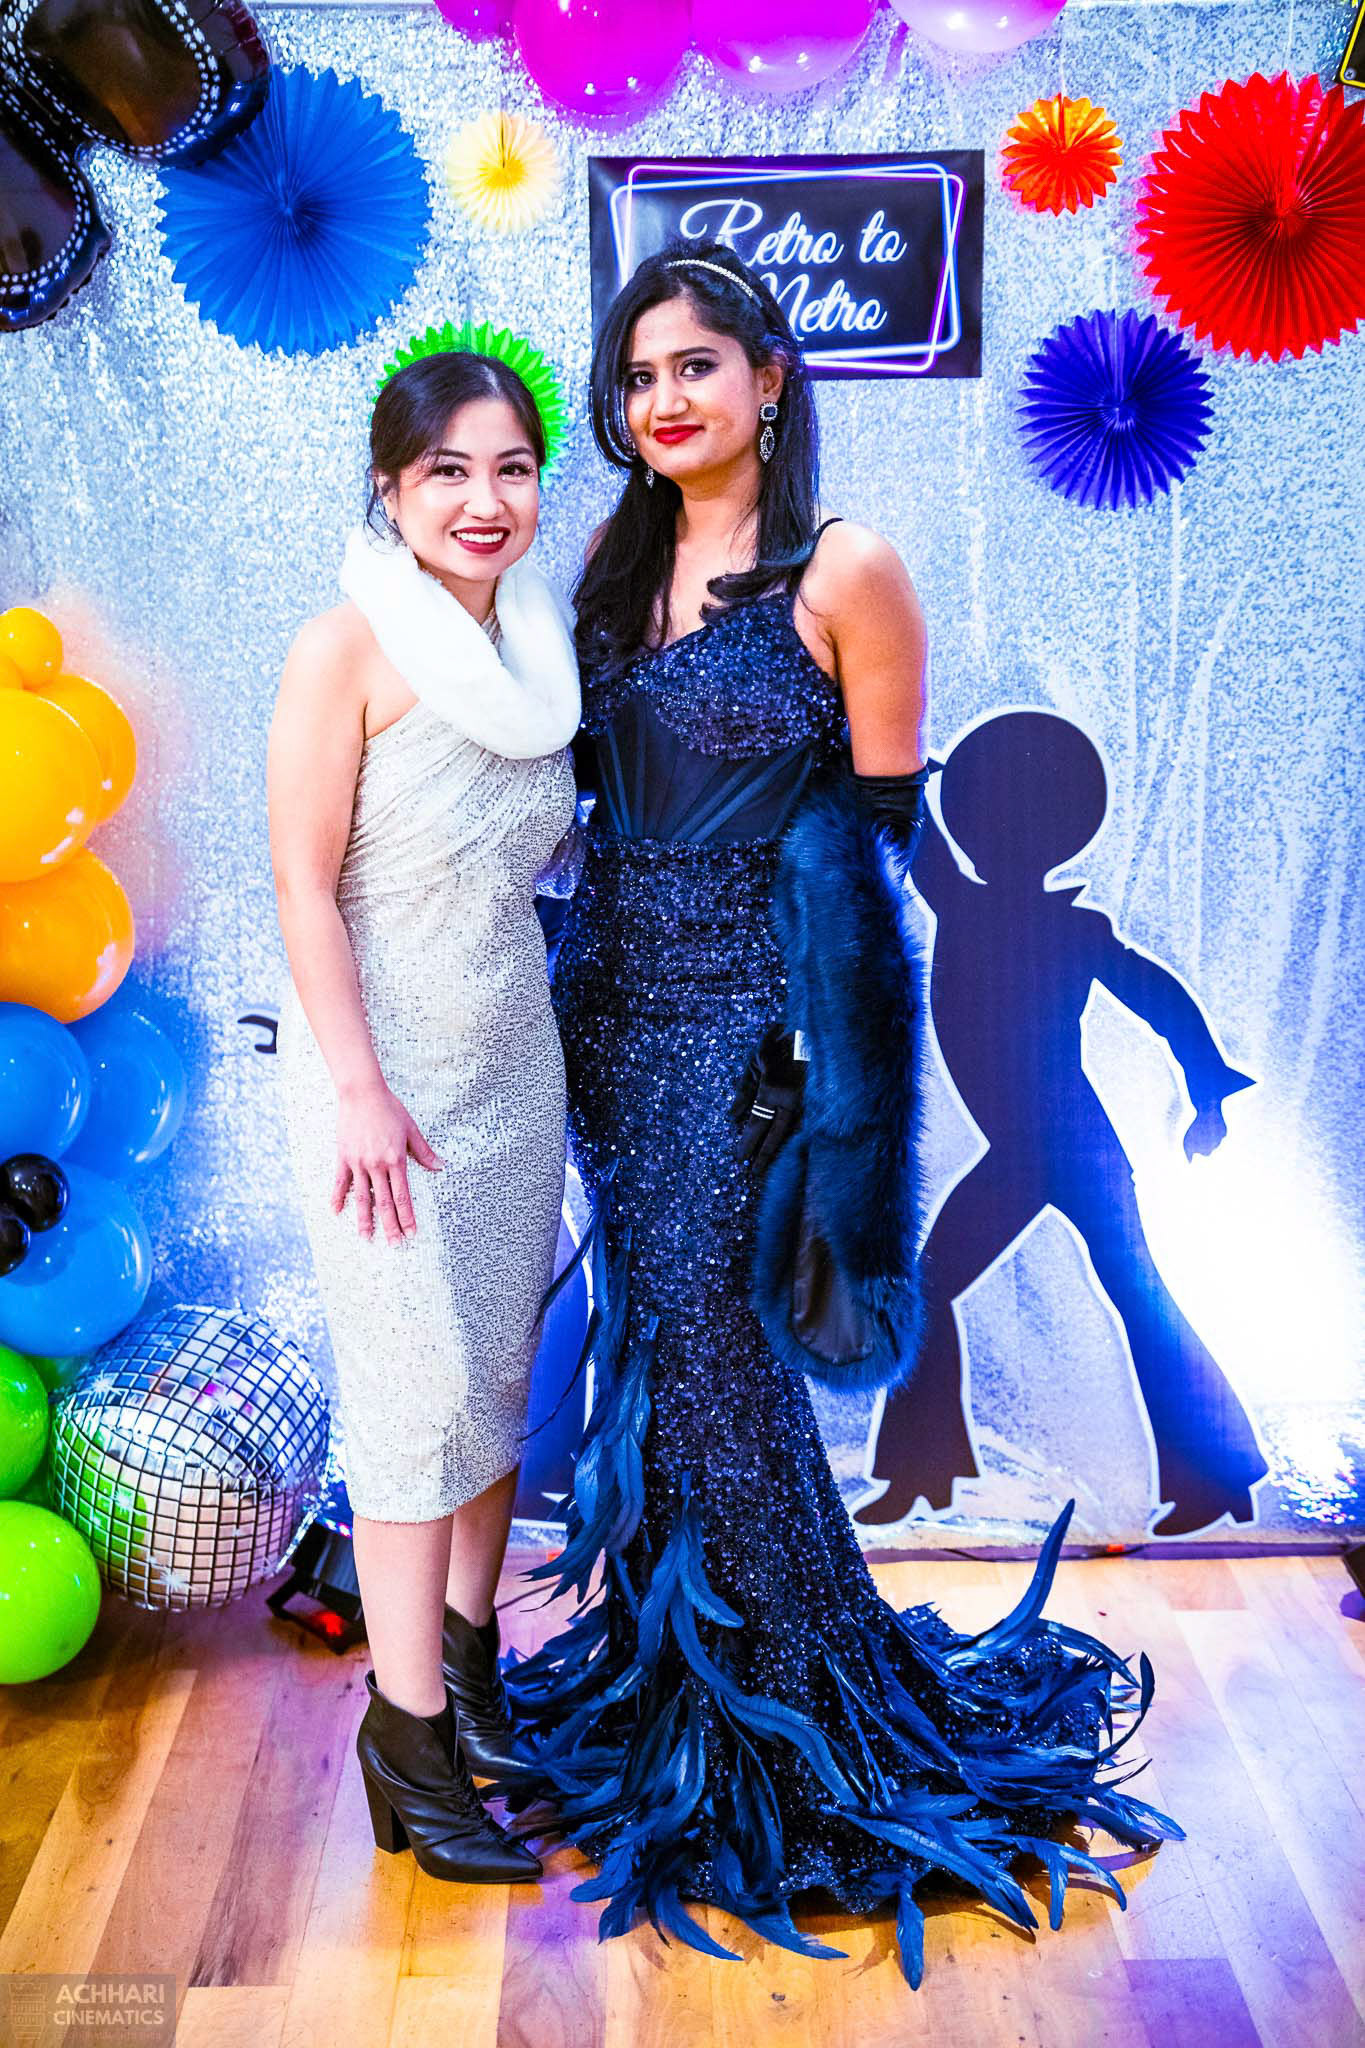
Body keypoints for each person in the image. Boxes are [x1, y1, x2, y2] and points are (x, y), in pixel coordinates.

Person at [491, 241, 1183, 1984]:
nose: (662, 399)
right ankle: (679, 1683)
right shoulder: (608, 564)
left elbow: (869, 838)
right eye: (637, 375)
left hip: (747, 1028)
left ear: (768, 377)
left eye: (694, 366)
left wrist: (813, 1054)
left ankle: (797, 1728)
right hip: (607, 1012)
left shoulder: (844, 569)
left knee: (723, 1356)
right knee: (663, 1347)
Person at [268, 344, 579, 1883]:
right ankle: (405, 1740)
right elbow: (298, 885)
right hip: (375, 1085)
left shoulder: (539, 650)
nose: (482, 498)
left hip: (511, 1068)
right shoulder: (346, 645)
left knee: (489, 1391)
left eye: (511, 467)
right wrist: (357, 1089)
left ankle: (467, 1674)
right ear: (389, 489)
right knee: (412, 1401)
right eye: (447, 469)